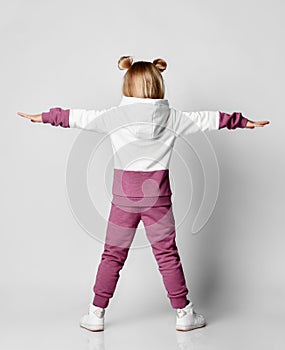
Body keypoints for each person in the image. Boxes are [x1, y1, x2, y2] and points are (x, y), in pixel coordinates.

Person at [17, 56, 270, 332]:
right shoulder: (173, 118)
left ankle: (96, 314)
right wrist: (242, 121)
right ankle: (185, 315)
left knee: (112, 255)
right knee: (166, 254)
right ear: (158, 84)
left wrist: (44, 116)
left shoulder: (114, 116)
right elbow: (209, 119)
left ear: (128, 84)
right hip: (158, 201)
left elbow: (76, 117)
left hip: (123, 201)